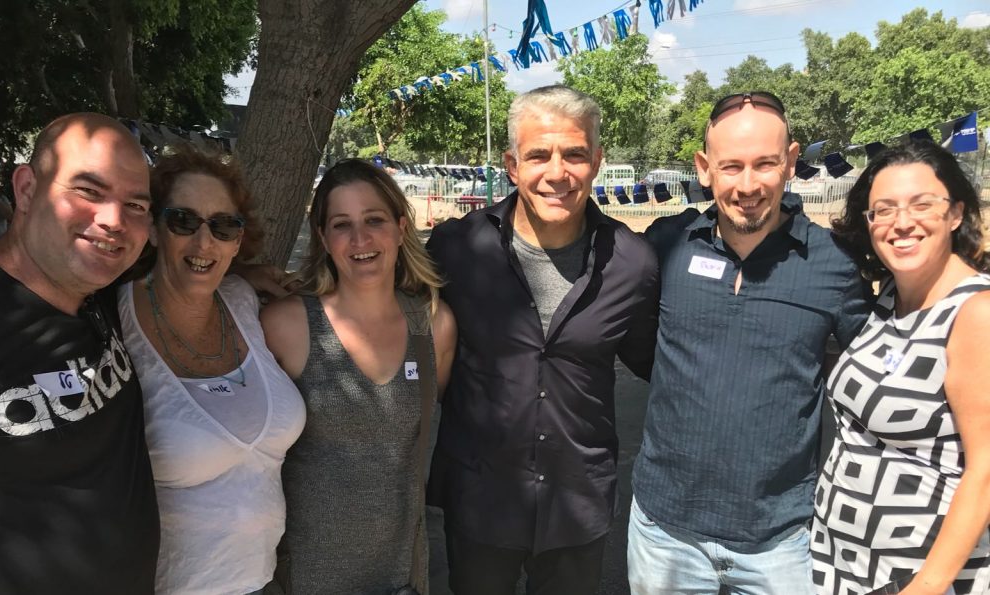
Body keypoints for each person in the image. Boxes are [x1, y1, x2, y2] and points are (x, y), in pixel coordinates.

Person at [627, 91, 873, 593]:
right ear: (704, 168)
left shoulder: (834, 263)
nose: (747, 185)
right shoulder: (666, 244)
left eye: (764, 164)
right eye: (731, 166)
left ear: (791, 162)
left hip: (781, 539)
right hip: (665, 532)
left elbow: (874, 373)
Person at [426, 85, 660, 594]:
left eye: (574, 154)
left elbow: (660, 364)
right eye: (538, 156)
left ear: (596, 162)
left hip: (577, 503)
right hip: (481, 500)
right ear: (512, 166)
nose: (557, 173)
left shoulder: (632, 263)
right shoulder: (455, 249)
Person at [0, 113, 159, 593]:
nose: (114, 220)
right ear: (26, 189)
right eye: (88, 191)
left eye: (135, 204)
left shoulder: (103, 295)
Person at [261, 158, 456, 594]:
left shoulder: (434, 326)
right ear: (323, 238)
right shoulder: (286, 326)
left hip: (400, 577)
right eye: (342, 225)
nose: (360, 239)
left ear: (401, 228)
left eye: (374, 220)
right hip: (305, 578)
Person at [117, 145, 305, 594]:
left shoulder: (244, 300)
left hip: (264, 582)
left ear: (238, 241)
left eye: (223, 227)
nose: (205, 243)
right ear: (154, 229)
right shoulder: (113, 318)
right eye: (184, 221)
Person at [812, 140, 990, 595]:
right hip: (845, 566)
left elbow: (986, 471)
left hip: (919, 575)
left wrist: (926, 586)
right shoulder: (892, 296)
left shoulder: (976, 313)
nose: (902, 222)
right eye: (884, 210)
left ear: (955, 213)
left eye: (922, 204)